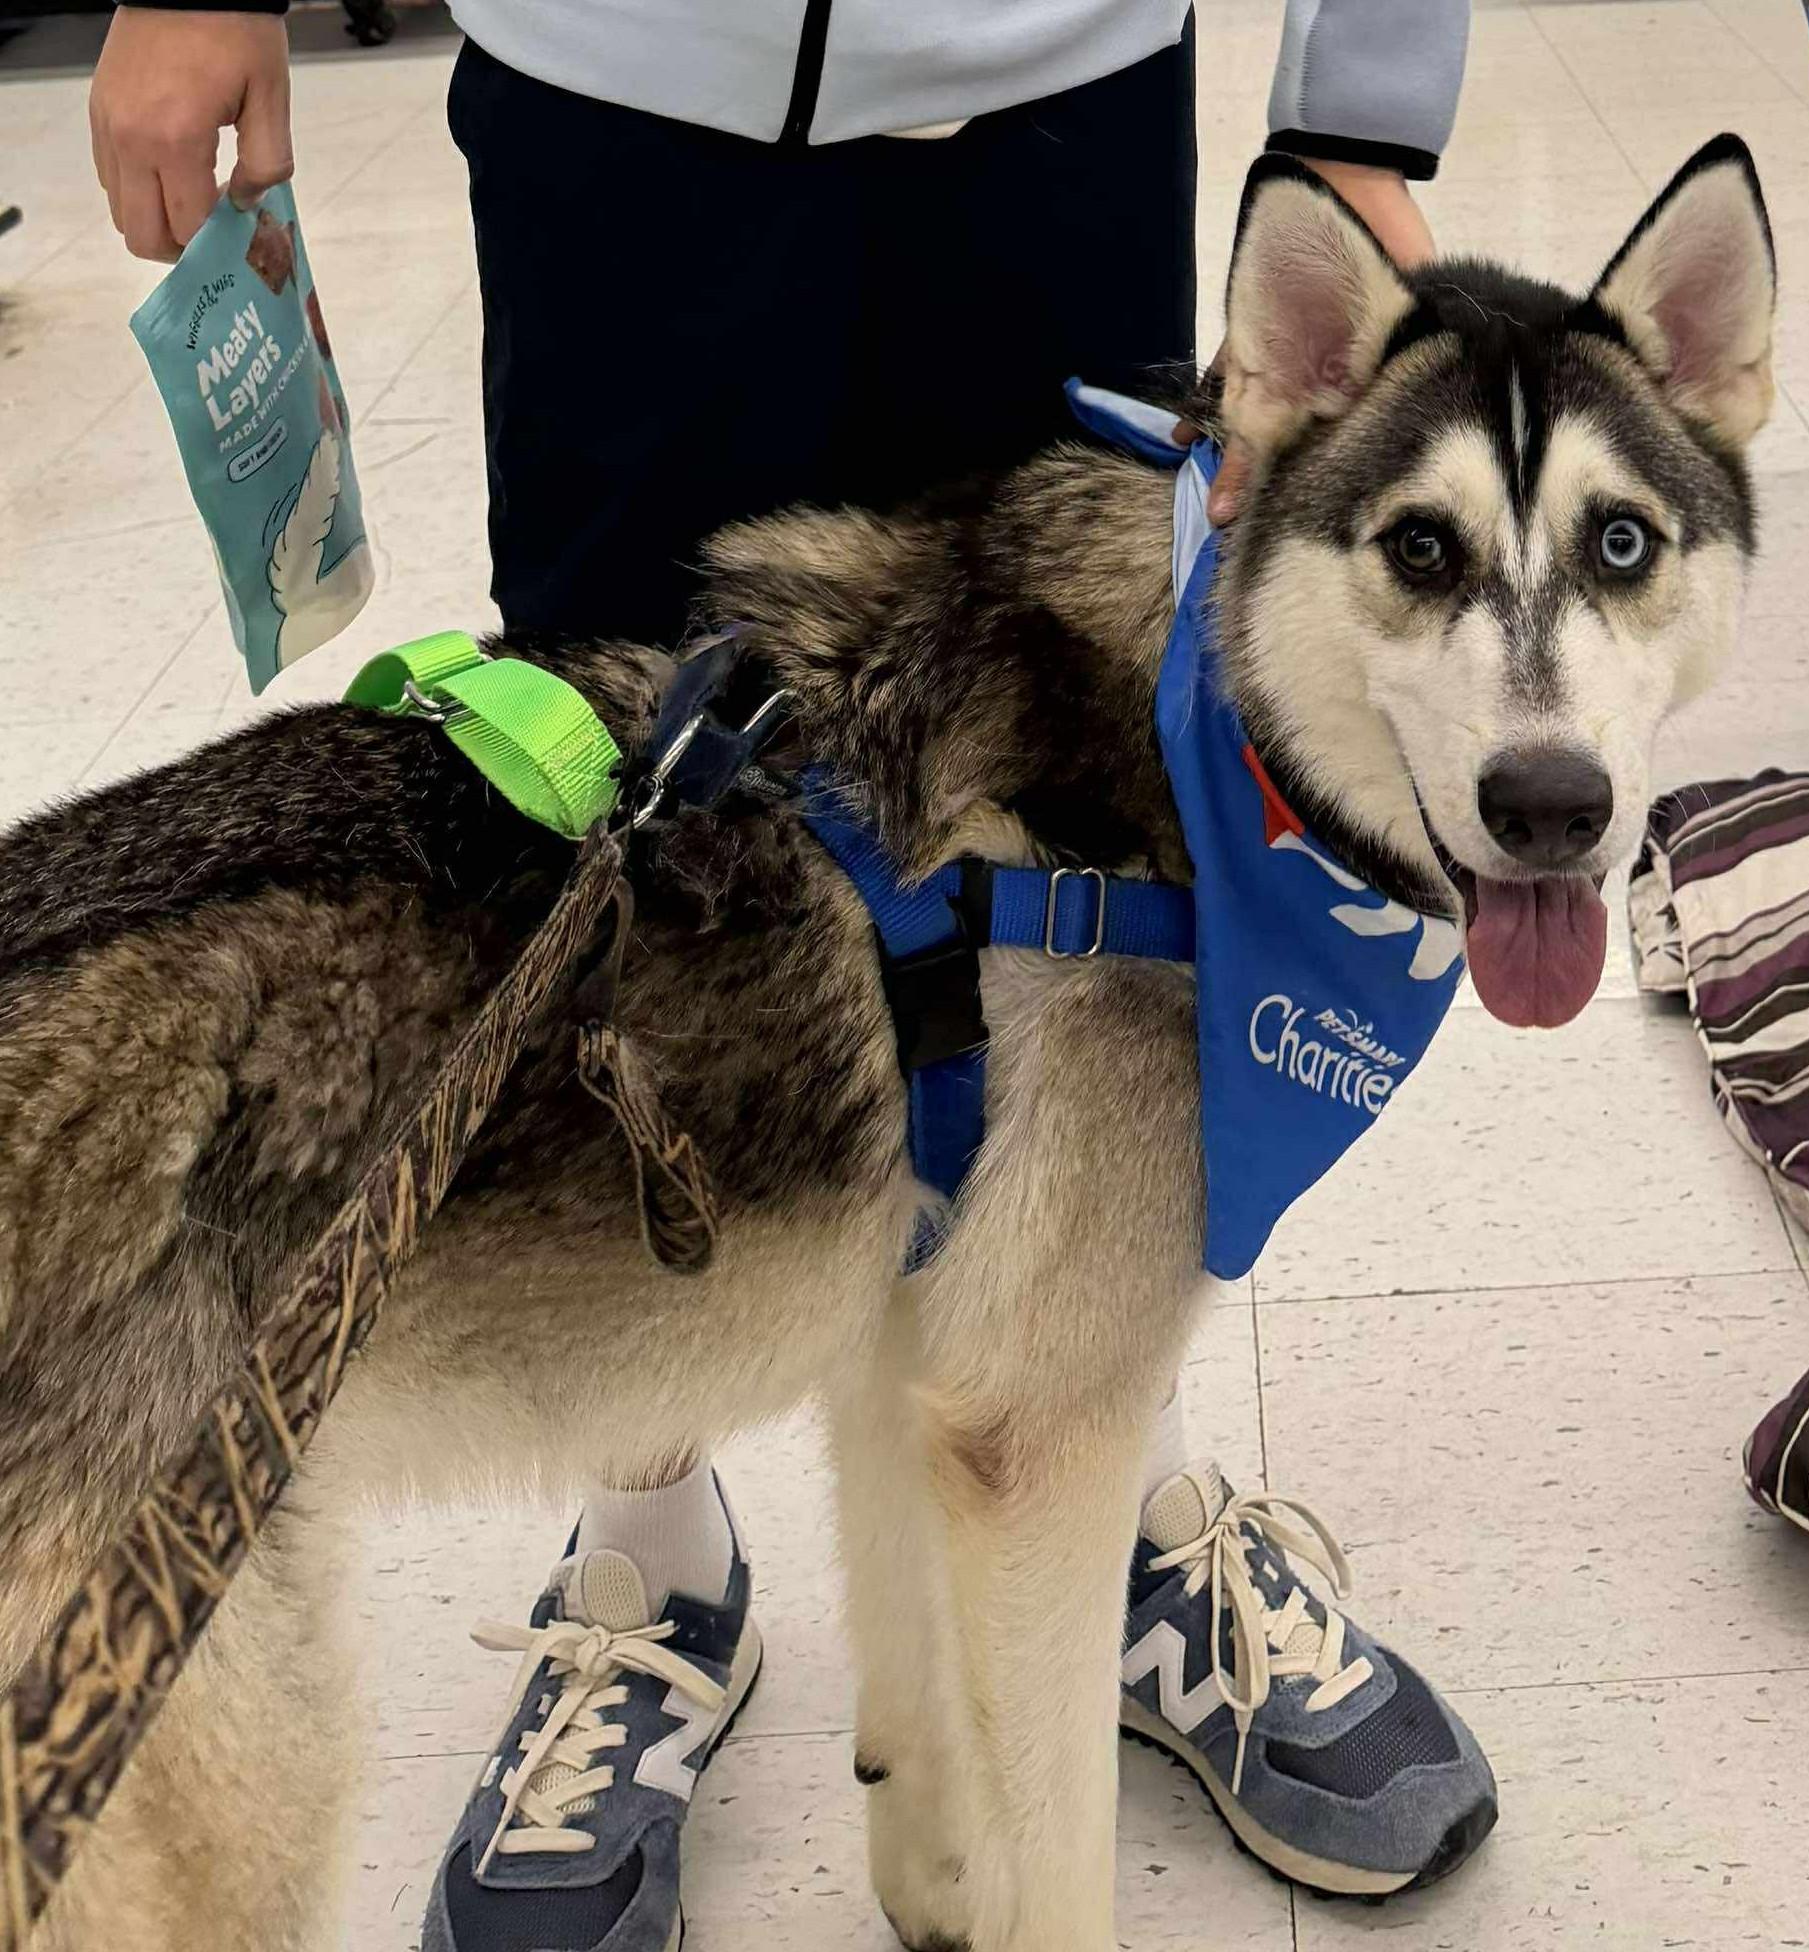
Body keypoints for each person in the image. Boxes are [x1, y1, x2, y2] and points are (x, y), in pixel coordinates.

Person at [89, 5, 1496, 1948]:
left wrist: (1366, 100)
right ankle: (648, 1557)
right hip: (622, 77)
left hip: (1056, 72)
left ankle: (1114, 1488)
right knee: (623, 896)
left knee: (1092, 883)